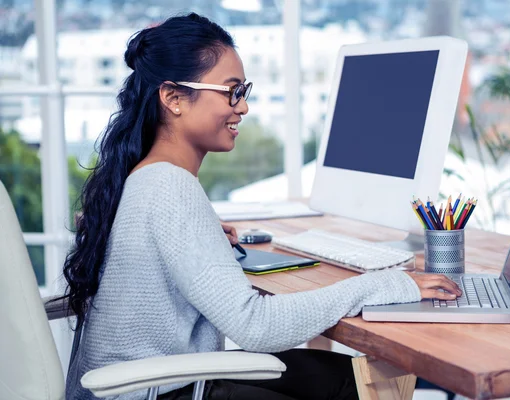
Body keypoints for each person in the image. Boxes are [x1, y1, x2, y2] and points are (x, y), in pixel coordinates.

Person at [60, 13, 462, 400]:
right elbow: (256, 326)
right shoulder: (169, 186)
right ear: (174, 98)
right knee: (360, 384)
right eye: (231, 91)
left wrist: (203, 241)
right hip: (154, 391)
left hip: (143, 383)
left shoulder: (147, 176)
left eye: (244, 91)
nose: (243, 107)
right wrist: (387, 283)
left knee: (343, 377)